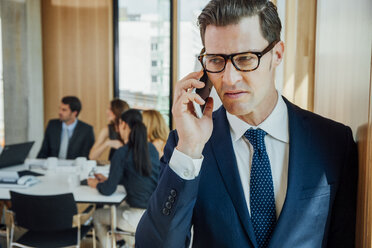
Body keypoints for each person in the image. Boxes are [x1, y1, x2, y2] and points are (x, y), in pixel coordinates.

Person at [136, 0, 358, 247]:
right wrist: (190, 150)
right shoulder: (187, 146)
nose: (229, 79)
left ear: (277, 54)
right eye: (216, 61)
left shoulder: (334, 142)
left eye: (244, 58)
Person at [88, 109, 160, 247]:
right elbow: (137, 177)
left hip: (136, 217)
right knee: (120, 209)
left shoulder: (121, 153)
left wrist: (95, 184)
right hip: (154, 214)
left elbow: (108, 190)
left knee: (97, 216)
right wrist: (107, 179)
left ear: (124, 125)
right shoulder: (151, 148)